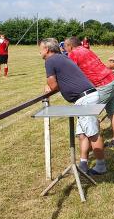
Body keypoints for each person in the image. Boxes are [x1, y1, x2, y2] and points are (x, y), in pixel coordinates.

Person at [39, 38, 107, 175]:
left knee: (92, 133)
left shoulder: (50, 60)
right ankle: (83, 164)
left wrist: (48, 87)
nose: (39, 52)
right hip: (85, 97)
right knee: (82, 134)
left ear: (47, 49)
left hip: (85, 99)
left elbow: (53, 86)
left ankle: (101, 166)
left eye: (40, 49)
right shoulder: (61, 57)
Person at [65, 36, 114, 148]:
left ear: (70, 46)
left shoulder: (73, 53)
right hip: (113, 80)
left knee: (89, 112)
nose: (65, 49)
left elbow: (70, 71)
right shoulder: (86, 50)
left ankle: (93, 143)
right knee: (113, 111)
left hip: (103, 85)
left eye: (65, 47)